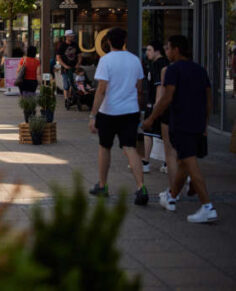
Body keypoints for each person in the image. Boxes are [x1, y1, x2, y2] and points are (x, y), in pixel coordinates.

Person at [143, 35, 217, 223]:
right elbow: (209, 99)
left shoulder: (173, 70)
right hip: (197, 123)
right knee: (184, 164)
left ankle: (207, 206)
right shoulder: (200, 70)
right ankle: (171, 196)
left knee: (190, 165)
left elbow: (167, 98)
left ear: (176, 49)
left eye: (168, 48)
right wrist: (205, 123)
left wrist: (151, 118)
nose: (167, 52)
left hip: (182, 124)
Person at [88, 27, 148, 206]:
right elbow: (139, 87)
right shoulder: (135, 60)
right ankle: (141, 187)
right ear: (124, 41)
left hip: (109, 111)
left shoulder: (106, 60)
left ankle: (103, 185)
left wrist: (93, 114)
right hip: (130, 111)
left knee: (104, 147)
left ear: (107, 42)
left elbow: (101, 89)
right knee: (130, 148)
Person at [141, 41, 170, 174]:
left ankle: (146, 162)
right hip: (158, 103)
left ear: (157, 51)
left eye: (150, 50)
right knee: (162, 134)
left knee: (148, 132)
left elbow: (160, 86)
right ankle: (166, 162)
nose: (147, 53)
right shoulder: (160, 64)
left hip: (155, 104)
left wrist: (156, 106)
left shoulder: (158, 64)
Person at [57, 30, 82, 105]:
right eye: (71, 36)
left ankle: (71, 97)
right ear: (67, 37)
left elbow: (79, 55)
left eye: (73, 36)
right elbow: (58, 57)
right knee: (66, 84)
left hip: (74, 68)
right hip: (65, 68)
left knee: (74, 83)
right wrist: (64, 65)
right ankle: (66, 99)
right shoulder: (62, 46)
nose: (72, 37)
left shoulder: (75, 45)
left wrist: (78, 64)